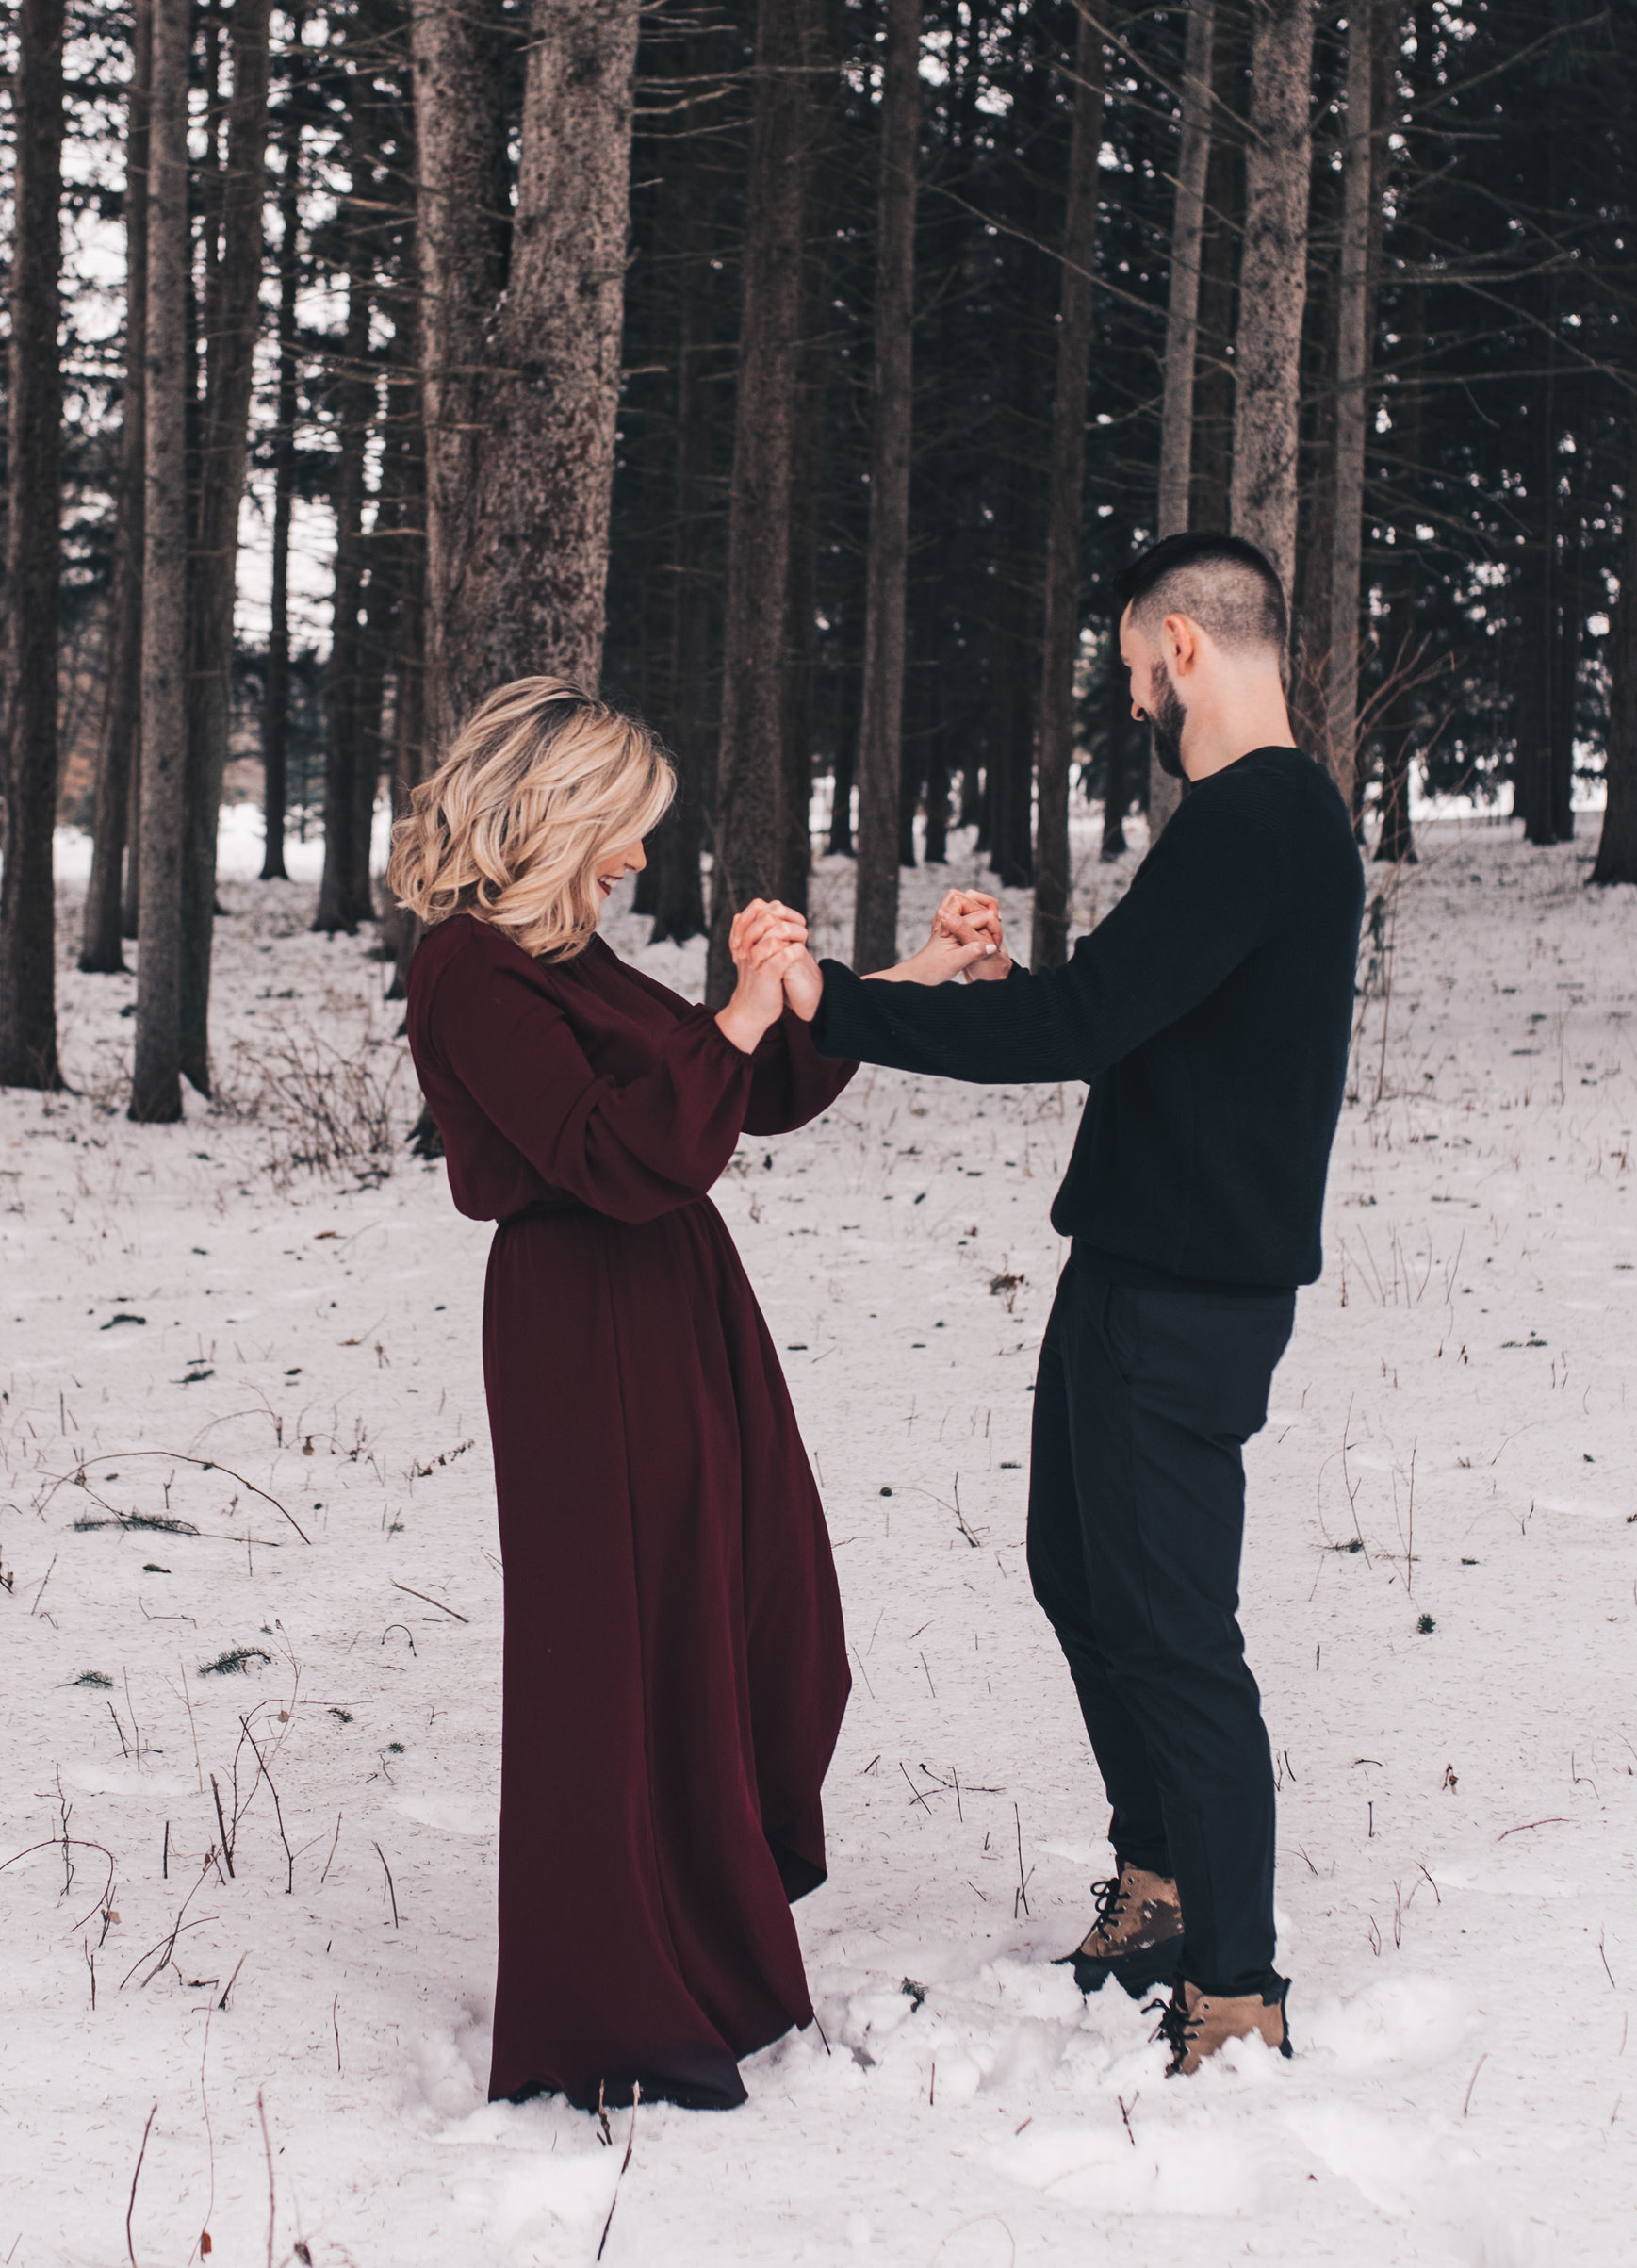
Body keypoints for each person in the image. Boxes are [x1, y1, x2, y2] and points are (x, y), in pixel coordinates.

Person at [788, 532, 1364, 2079]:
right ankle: (1164, 1887)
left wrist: (842, 1001)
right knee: (1080, 1574)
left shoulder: (1256, 818)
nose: (1132, 704)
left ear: (1183, 644)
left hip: (1184, 1295)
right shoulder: (1263, 826)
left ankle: (1233, 1986)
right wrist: (994, 987)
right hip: (1137, 1266)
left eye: (1128, 672)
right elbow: (1139, 1015)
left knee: (1173, 1627)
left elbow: (1096, 1021)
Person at [393, 677, 857, 2114]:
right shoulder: (470, 969)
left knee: (731, 1613)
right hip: (579, 1322)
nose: (640, 860)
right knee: (611, 1651)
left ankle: (711, 1948)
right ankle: (611, 2005)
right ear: (556, 813)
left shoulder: (569, 956)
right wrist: (726, 1022)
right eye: (626, 829)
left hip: (673, 1304)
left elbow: (739, 1095)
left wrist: (848, 984)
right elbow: (607, 1148)